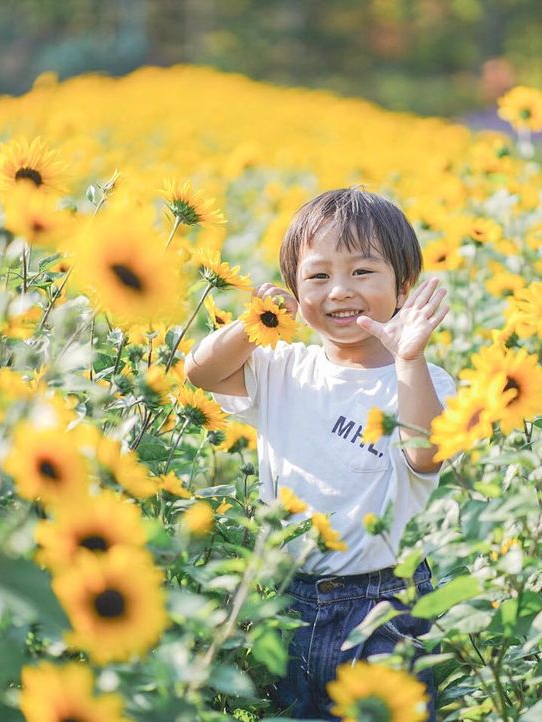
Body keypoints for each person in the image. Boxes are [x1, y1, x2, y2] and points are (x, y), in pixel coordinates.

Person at [184, 186, 455, 720]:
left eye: (361, 272)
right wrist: (255, 322)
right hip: (288, 600)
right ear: (293, 291)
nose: (339, 291)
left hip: (387, 607)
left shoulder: (423, 379)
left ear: (402, 285)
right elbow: (200, 371)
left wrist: (409, 358)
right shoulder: (281, 367)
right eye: (317, 276)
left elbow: (426, 455)